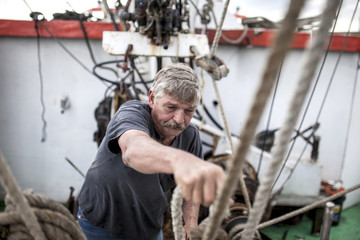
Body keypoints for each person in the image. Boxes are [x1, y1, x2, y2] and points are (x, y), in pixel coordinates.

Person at [77, 63, 225, 240]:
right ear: (152, 99)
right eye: (171, 108)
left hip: (148, 227)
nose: (179, 120)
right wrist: (181, 162)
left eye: (189, 111)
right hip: (100, 224)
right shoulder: (131, 114)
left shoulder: (190, 136)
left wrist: (190, 223)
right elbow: (134, 150)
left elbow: (190, 192)